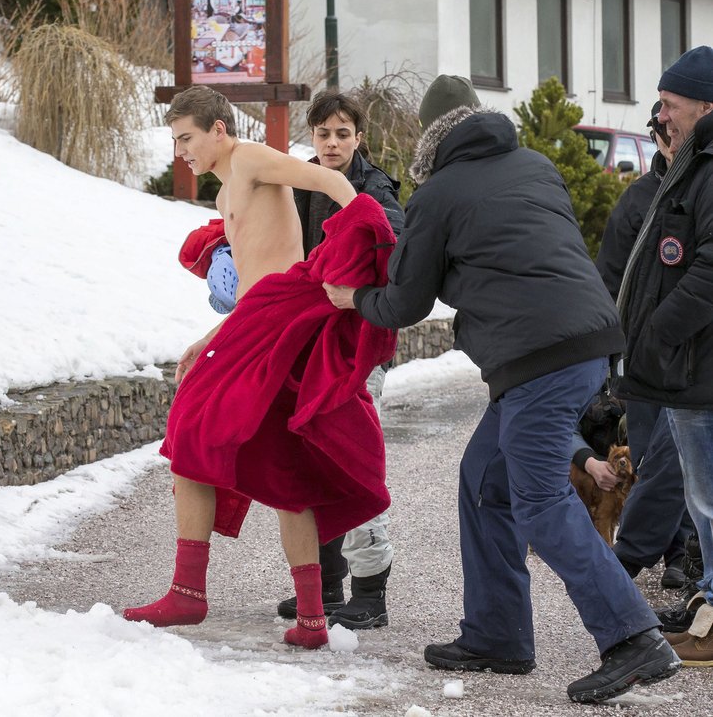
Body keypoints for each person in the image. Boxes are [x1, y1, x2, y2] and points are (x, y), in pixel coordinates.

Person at [324, 74, 680, 702]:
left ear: (431, 139)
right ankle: (497, 634)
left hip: (536, 356)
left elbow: (406, 300)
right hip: (582, 343)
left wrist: (356, 298)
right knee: (485, 482)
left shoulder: (438, 192)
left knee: (539, 496)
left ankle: (633, 638)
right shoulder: (535, 164)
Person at [123, 85, 398, 650]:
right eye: (176, 141)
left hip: (279, 317)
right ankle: (314, 618)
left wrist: (361, 229)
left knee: (189, 435)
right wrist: (211, 335)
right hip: (263, 317)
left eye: (186, 138)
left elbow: (325, 180)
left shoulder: (246, 158)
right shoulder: (229, 186)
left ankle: (187, 594)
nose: (181, 152)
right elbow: (253, 280)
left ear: (217, 130)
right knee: (286, 467)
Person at [274, 90, 405, 630]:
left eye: (342, 133)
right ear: (312, 135)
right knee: (312, 458)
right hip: (309, 341)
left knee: (353, 460)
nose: (332, 143)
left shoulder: (375, 189)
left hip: (358, 347)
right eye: (323, 133)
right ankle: (326, 584)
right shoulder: (301, 182)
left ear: (358, 137)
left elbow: (394, 242)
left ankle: (370, 591)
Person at [616, 46, 713, 667]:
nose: (662, 114)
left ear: (705, 106)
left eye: (671, 104)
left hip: (697, 369)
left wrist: (656, 332)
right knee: (702, 503)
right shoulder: (691, 165)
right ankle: (707, 605)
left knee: (708, 500)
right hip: (684, 371)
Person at [597, 102, 696, 591]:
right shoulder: (639, 198)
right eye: (660, 129)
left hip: (689, 353)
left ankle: (681, 555)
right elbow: (612, 275)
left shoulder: (701, 190)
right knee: (653, 456)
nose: (668, 137)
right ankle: (658, 550)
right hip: (643, 360)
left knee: (683, 460)